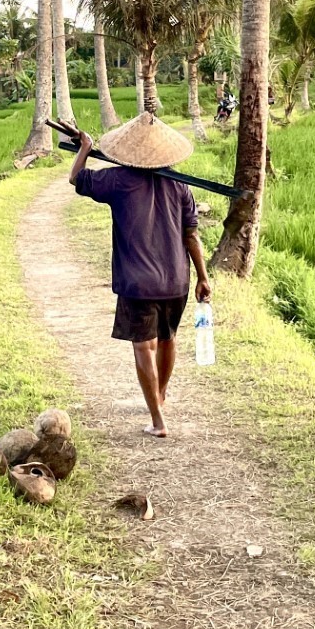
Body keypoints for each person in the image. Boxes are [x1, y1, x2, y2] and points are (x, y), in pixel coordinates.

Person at [69, 111, 212, 438]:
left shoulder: (117, 181)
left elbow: (77, 178)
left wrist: (85, 147)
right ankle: (159, 396)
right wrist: (203, 277)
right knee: (168, 339)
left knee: (143, 347)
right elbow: (191, 235)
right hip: (176, 280)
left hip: (138, 284)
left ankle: (158, 420)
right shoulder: (180, 185)